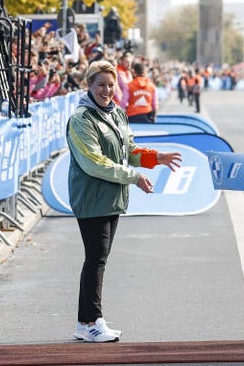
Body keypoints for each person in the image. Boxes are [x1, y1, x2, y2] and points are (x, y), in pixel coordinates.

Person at [66, 60, 182, 342]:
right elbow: (95, 162)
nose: (107, 90)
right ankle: (93, 321)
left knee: (97, 258)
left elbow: (128, 150)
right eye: (101, 85)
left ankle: (85, 323)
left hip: (112, 196)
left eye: (110, 84)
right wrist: (134, 176)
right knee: (96, 259)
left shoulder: (117, 113)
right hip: (91, 196)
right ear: (89, 86)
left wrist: (156, 157)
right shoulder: (82, 118)